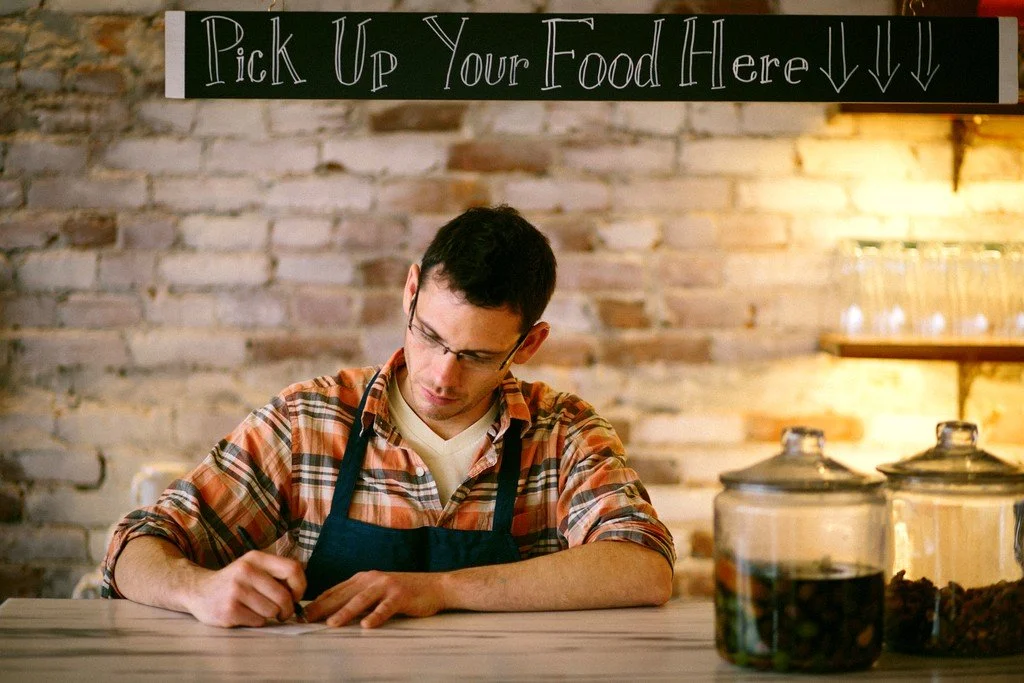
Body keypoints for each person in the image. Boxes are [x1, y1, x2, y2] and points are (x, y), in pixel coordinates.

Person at [102, 205, 675, 629]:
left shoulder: (563, 431)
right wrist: (198, 589)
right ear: (410, 290)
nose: (442, 376)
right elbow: (134, 546)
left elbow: (644, 567)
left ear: (528, 345)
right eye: (429, 336)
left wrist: (440, 589)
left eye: (475, 356)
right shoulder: (309, 421)